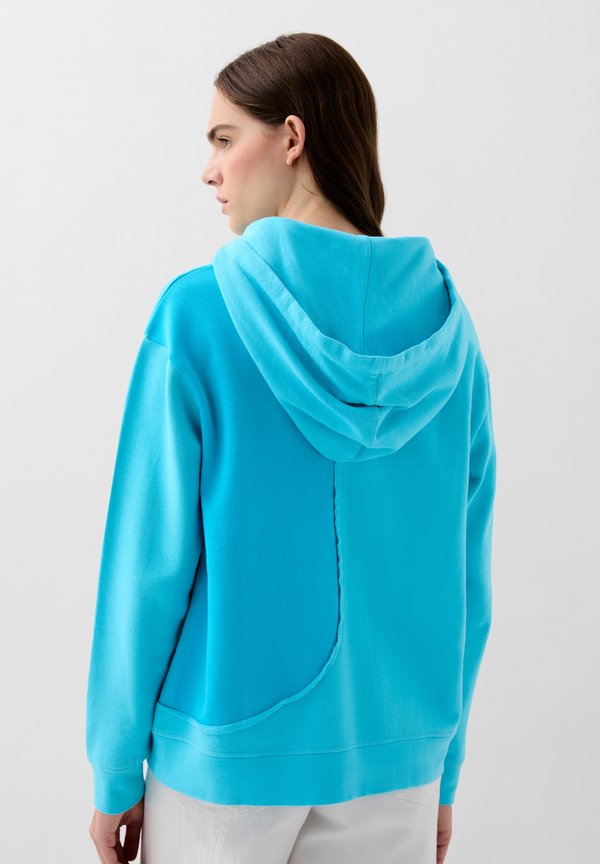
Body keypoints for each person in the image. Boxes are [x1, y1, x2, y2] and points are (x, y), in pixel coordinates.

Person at [86, 31, 497, 864]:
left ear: (292, 138)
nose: (209, 171)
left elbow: (147, 567)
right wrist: (444, 769)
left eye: (224, 138)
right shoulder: (451, 340)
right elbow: (468, 575)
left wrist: (114, 766)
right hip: (397, 760)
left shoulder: (198, 316)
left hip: (224, 764)